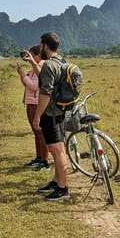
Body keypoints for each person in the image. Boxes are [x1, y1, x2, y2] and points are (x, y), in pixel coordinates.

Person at [31, 32, 71, 201]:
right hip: (61, 111)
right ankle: (56, 181)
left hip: (51, 113)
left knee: (57, 151)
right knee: (58, 149)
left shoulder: (49, 65)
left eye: (41, 45)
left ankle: (63, 189)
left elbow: (45, 93)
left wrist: (37, 116)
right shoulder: (62, 62)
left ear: (45, 45)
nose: (40, 48)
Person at [16, 45, 49, 169]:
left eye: (30, 55)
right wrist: (22, 75)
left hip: (36, 104)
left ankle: (44, 161)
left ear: (37, 55)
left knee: (40, 133)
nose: (28, 58)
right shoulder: (35, 68)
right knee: (36, 133)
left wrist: (23, 75)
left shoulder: (41, 67)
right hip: (31, 103)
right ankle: (39, 157)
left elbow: (35, 87)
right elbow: (26, 84)